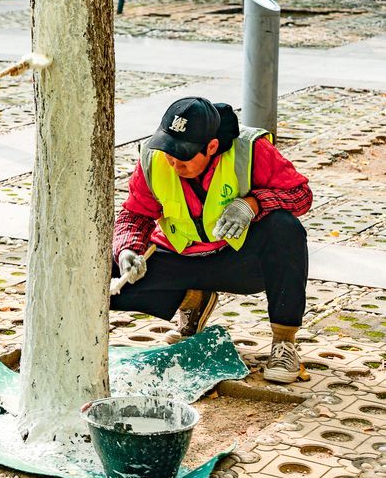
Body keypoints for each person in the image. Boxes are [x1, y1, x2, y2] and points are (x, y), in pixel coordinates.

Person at [111, 97, 312, 384]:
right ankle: (193, 299)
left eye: (184, 155)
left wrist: (253, 204)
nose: (173, 161)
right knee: (104, 270)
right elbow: (134, 214)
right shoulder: (154, 159)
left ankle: (284, 343)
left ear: (212, 147)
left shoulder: (250, 151)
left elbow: (302, 195)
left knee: (286, 229)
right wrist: (127, 250)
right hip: (181, 260)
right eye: (169, 150)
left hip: (238, 263)